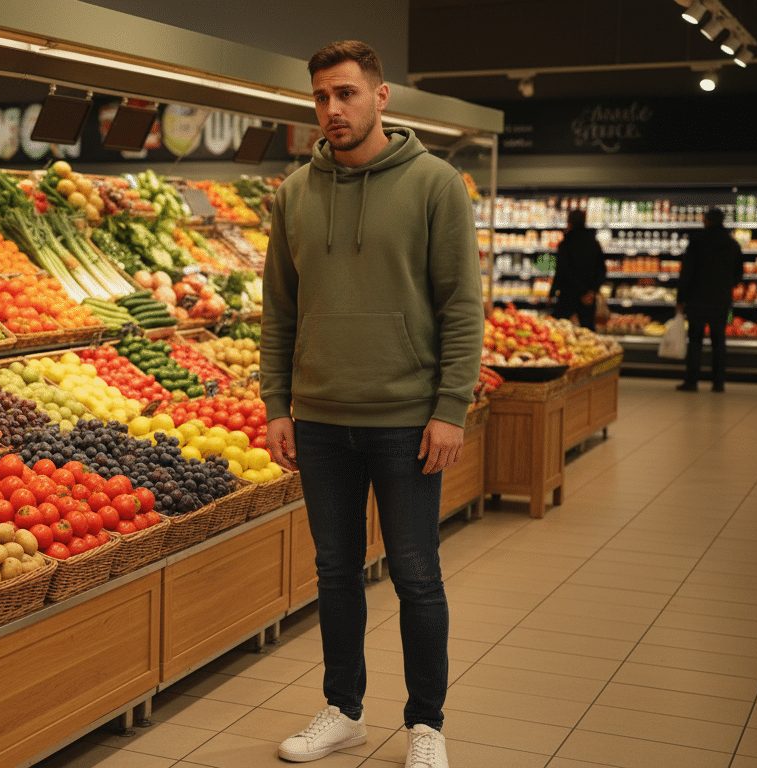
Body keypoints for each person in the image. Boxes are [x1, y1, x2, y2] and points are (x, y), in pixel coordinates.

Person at [260, 39, 482, 768]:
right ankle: (343, 711)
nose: (332, 110)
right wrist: (276, 405)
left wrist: (451, 406)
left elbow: (460, 306)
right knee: (334, 571)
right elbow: (279, 315)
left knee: (417, 575)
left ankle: (427, 725)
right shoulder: (294, 194)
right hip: (321, 419)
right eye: (321, 96)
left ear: (381, 96)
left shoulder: (435, 185)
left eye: (346, 94)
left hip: (407, 422)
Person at [676, 207, 744, 392]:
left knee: (695, 341)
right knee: (719, 341)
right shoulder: (732, 244)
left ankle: (692, 381)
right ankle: (718, 382)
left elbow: (687, 273)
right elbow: (739, 274)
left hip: (697, 299)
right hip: (722, 300)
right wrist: (727, 286)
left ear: (707, 221)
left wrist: (680, 299)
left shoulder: (697, 243)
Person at [548, 208, 606, 330]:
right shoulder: (594, 243)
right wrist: (591, 292)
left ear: (569, 222)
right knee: (588, 333)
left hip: (568, 296)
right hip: (588, 299)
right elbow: (602, 271)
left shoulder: (566, 243)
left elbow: (563, 271)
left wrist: (552, 292)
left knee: (560, 331)